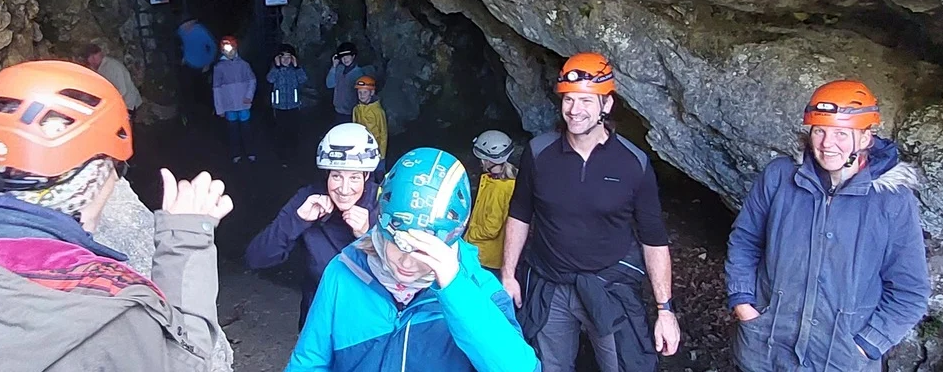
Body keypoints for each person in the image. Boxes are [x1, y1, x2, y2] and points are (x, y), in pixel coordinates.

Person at [0, 60, 235, 371]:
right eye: (117, 170)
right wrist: (186, 238)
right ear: (94, 176)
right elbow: (186, 361)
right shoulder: (110, 308)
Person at [725, 80, 930, 371]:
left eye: (841, 133)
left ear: (865, 138)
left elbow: (910, 290)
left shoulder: (891, 201)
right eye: (819, 130)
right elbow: (745, 240)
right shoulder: (779, 177)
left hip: (840, 360)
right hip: (765, 350)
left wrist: (865, 345)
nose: (827, 143)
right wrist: (744, 304)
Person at [286, 148, 538, 372]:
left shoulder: (478, 289)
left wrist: (454, 288)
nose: (406, 264)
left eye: (423, 252)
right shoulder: (345, 270)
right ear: (382, 227)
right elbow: (309, 361)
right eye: (398, 244)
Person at [501, 53, 677, 372]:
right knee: (545, 366)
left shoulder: (632, 163)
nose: (574, 110)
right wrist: (508, 274)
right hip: (550, 281)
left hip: (608, 283)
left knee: (622, 365)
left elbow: (654, 239)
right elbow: (520, 213)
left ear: (606, 105)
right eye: (568, 99)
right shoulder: (540, 153)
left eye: (585, 100)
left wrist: (665, 310)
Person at [244, 123, 382, 324]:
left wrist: (368, 235)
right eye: (336, 176)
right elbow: (256, 258)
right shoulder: (310, 199)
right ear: (327, 174)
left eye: (354, 177)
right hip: (319, 321)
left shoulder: (382, 204)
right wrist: (297, 219)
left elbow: (402, 278)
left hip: (368, 322)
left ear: (366, 176)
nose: (344, 189)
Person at [464, 130, 518, 276]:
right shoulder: (496, 180)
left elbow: (491, 228)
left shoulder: (500, 188)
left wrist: (468, 235)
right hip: (486, 254)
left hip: (484, 256)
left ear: (486, 160)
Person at [213, 36, 259, 162]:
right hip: (229, 106)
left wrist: (249, 96)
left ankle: (250, 151)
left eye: (231, 49)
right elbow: (216, 89)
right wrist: (220, 108)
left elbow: (252, 80)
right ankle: (235, 153)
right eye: (226, 49)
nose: (229, 52)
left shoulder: (243, 65)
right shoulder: (219, 68)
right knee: (232, 130)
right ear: (222, 51)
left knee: (246, 129)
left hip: (243, 104)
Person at [267, 44, 311, 160]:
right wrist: (276, 67)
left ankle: (294, 154)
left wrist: (297, 67)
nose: (286, 60)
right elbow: (270, 79)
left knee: (293, 130)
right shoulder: (275, 70)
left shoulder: (295, 70)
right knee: (280, 130)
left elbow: (303, 79)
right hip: (279, 106)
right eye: (283, 57)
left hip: (293, 105)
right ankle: (282, 155)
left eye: (289, 57)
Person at [85, 43, 145, 114]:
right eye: (91, 57)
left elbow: (122, 90)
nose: (93, 59)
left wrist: (108, 104)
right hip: (117, 103)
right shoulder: (98, 69)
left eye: (95, 55)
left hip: (128, 105)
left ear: (101, 53)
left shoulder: (112, 66)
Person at [177, 20, 217, 123]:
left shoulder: (200, 30)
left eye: (186, 25)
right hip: (188, 65)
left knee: (204, 89)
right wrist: (183, 57)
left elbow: (212, 46)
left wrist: (208, 62)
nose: (184, 27)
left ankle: (211, 112)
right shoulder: (180, 32)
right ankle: (192, 116)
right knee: (189, 90)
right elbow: (181, 45)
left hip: (202, 65)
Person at [325, 42, 369, 125]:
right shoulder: (338, 69)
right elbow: (329, 84)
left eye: (348, 56)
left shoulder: (359, 73)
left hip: (352, 112)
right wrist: (333, 67)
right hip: (338, 111)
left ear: (353, 56)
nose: (345, 59)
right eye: (343, 57)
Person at [350, 76, 388, 158]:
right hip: (360, 147)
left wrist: (382, 155)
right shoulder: (356, 109)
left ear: (372, 93)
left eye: (365, 92)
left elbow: (383, 134)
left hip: (374, 148)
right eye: (359, 92)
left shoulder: (378, 111)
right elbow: (354, 127)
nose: (362, 95)